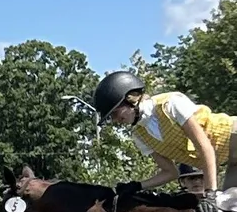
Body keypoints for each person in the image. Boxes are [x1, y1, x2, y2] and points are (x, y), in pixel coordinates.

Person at [93, 70, 235, 195]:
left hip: (234, 134)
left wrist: (210, 193)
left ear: (131, 99)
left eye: (115, 113)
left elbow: (205, 147)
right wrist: (138, 186)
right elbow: (171, 173)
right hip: (230, 159)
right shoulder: (139, 135)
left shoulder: (171, 104)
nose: (116, 120)